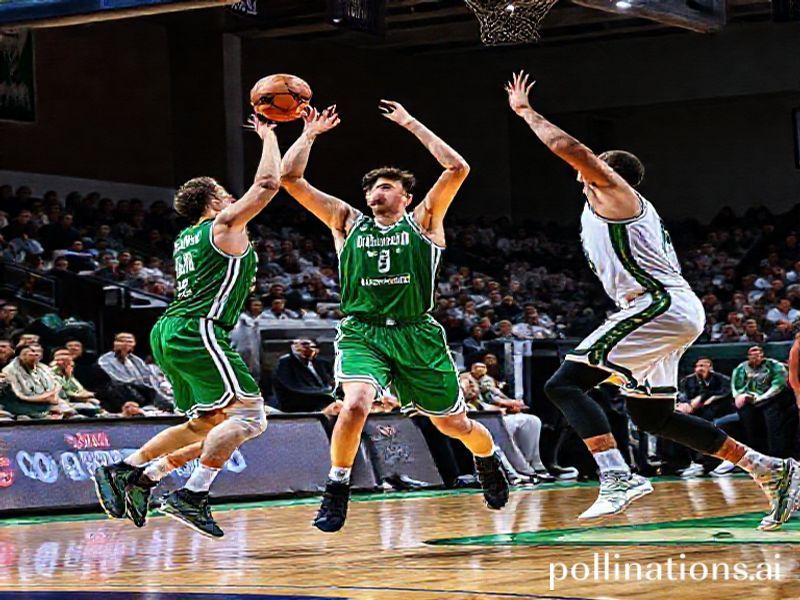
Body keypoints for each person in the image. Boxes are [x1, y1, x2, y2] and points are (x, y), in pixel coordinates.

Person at [506, 70, 799, 530]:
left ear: (611, 174)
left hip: (658, 304)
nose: (585, 171)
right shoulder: (596, 208)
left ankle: (617, 476)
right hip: (665, 309)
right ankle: (770, 469)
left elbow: (572, 150)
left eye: (597, 166)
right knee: (652, 415)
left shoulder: (617, 195)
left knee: (562, 385)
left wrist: (526, 113)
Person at [281, 100, 508, 533]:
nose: (375, 193)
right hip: (362, 332)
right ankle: (338, 486)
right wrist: (308, 134)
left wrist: (409, 122)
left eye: (386, 187)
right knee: (355, 405)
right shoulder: (347, 222)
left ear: (405, 196)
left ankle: (487, 457)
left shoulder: (423, 222)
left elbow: (457, 168)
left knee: (454, 424)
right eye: (372, 188)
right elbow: (291, 179)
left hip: (416, 333)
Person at [93, 114, 281, 538]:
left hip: (172, 328)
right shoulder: (222, 225)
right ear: (214, 202)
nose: (233, 198)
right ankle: (192, 495)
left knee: (205, 425)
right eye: (225, 194)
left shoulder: (186, 238)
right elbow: (268, 185)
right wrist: (269, 137)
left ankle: (132, 472)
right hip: (199, 328)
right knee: (251, 417)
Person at [729, 346, 796, 460]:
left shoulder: (774, 365)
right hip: (750, 401)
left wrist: (761, 397)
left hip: (773, 400)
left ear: (762, 354)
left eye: (758, 353)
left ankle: (776, 457)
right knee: (746, 417)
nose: (755, 356)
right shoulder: (741, 368)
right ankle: (754, 456)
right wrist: (741, 396)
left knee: (772, 416)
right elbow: (736, 387)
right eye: (752, 353)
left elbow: (778, 385)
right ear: (748, 356)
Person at [273, 339, 337, 413]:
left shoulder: (321, 363)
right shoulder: (285, 363)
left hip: (322, 403)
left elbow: (328, 381)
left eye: (308, 345)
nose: (302, 348)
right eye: (297, 345)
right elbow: (295, 388)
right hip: (298, 407)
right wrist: (326, 392)